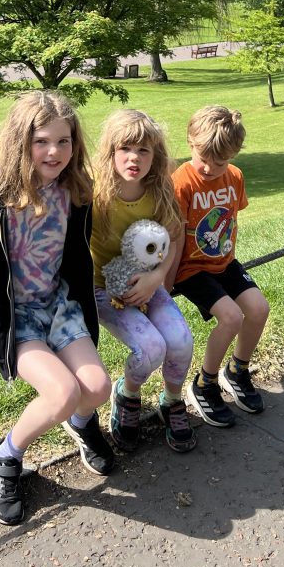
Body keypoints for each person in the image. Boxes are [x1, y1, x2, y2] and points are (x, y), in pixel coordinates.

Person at [0, 91, 113, 527]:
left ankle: (80, 424)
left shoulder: (75, 190)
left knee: (96, 388)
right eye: (42, 141)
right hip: (14, 315)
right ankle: (4, 457)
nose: (55, 152)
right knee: (61, 393)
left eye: (64, 141)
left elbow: (78, 259)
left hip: (57, 305)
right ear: (20, 140)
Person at [91, 109, 196, 454]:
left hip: (150, 283)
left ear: (156, 156)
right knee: (151, 348)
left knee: (180, 341)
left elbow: (173, 236)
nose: (134, 158)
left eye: (144, 150)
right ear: (110, 152)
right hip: (103, 289)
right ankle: (128, 395)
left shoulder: (159, 189)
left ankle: (171, 400)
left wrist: (157, 278)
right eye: (125, 149)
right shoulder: (93, 194)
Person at [170, 105, 270, 428]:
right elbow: (172, 239)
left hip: (223, 261)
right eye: (204, 158)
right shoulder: (181, 184)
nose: (210, 168)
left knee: (258, 309)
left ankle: (237, 371)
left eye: (221, 161)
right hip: (191, 268)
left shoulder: (235, 177)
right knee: (231, 317)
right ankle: (205, 383)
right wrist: (164, 286)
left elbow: (229, 218)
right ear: (190, 143)